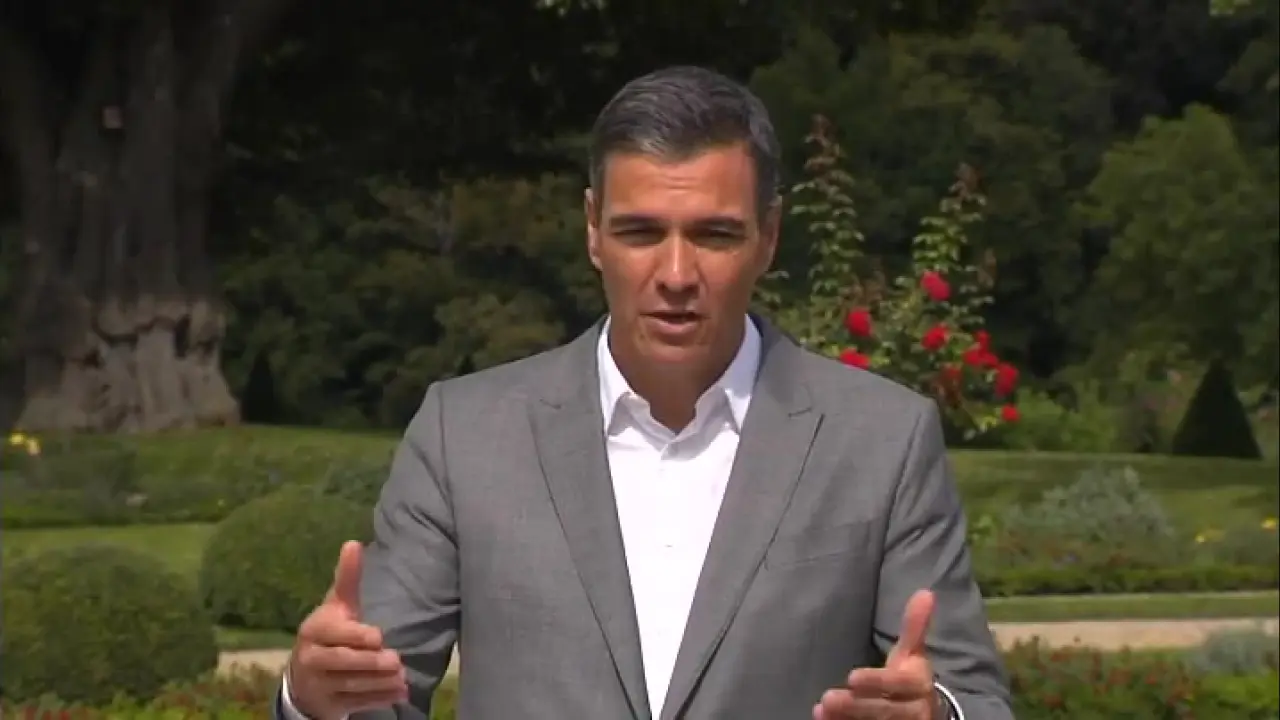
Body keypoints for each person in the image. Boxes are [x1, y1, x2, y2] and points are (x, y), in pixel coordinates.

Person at [279, 65, 1013, 720]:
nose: (676, 274)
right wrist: (314, 702)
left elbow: (973, 698)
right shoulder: (465, 435)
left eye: (715, 235)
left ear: (769, 236)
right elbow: (374, 693)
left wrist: (936, 717)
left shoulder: (881, 442)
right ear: (592, 230)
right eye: (640, 233)